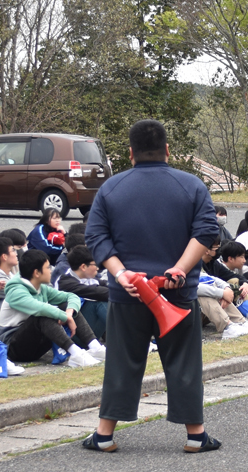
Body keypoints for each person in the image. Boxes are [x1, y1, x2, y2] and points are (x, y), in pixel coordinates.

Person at [84, 119, 223, 453]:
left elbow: (96, 236)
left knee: (121, 362)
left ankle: (104, 435)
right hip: (177, 292)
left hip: (127, 292)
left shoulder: (111, 188)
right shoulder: (191, 186)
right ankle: (195, 435)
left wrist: (121, 274)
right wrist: (180, 268)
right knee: (184, 363)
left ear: (131, 152)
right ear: (167, 150)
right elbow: (207, 230)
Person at [0, 249, 103, 366]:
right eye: (48, 268)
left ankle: (95, 347)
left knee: (65, 305)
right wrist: (65, 317)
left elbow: (71, 296)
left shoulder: (41, 287)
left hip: (36, 345)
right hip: (13, 348)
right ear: (37, 273)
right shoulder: (15, 291)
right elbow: (40, 308)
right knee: (43, 315)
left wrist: (69, 313)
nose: (51, 270)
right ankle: (76, 353)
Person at [57, 245, 110, 339]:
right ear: (83, 267)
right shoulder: (66, 282)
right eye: (95, 264)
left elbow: (106, 286)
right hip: (71, 335)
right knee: (99, 302)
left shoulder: (89, 278)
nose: (98, 268)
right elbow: (98, 292)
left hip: (88, 332)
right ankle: (126, 336)